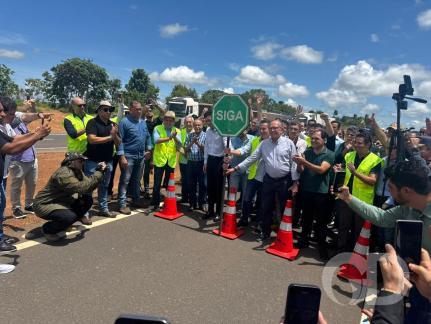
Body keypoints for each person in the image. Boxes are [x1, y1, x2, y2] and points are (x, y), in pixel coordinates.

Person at [337, 160, 431, 323]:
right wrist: (349, 198)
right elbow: (381, 217)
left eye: (391, 189)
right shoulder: (406, 208)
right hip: (416, 287)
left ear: (407, 190)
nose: (389, 193)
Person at [226, 119, 299, 242]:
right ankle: (265, 232)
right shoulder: (264, 144)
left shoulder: (289, 143)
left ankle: (282, 237)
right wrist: (236, 168)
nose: (273, 130)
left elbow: (294, 163)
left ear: (282, 129)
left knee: (282, 209)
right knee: (266, 207)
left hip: (284, 181)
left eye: (276, 128)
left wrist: (296, 182)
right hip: (269, 180)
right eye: (271, 128)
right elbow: (252, 158)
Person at [0, 99, 51, 253]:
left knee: (1, 205)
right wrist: (36, 136)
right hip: (14, 164)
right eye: (1, 111)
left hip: (2, 173)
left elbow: (13, 139)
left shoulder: (5, 126)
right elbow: (11, 148)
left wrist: (36, 134)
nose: (3, 115)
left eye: (3, 111)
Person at [33, 152, 106, 241]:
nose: (83, 163)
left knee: (87, 200)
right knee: (69, 217)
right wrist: (98, 173)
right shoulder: (64, 174)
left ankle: (64, 225)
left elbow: (88, 188)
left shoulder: (78, 171)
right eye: (80, 161)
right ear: (72, 162)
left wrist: (100, 172)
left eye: (83, 161)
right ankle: (48, 229)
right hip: (44, 204)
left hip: (61, 200)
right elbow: (82, 187)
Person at [336, 131, 381, 253]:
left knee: (359, 230)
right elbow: (345, 172)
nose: (356, 144)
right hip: (346, 197)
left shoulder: (375, 160)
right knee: (343, 226)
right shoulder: (350, 155)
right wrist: (339, 170)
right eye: (355, 142)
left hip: (362, 202)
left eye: (359, 143)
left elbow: (372, 180)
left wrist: (355, 172)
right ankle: (340, 252)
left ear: (368, 144)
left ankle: (356, 256)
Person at [293, 128, 334, 259]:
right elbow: (302, 170)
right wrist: (299, 164)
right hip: (306, 190)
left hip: (320, 193)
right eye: (312, 138)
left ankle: (322, 247)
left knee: (321, 222)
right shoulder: (308, 152)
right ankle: (303, 241)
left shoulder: (329, 154)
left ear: (324, 140)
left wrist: (304, 162)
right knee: (306, 218)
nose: (314, 140)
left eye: (317, 138)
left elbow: (322, 170)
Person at [84, 100, 121, 220]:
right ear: (99, 110)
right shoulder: (92, 122)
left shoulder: (113, 125)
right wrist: (111, 136)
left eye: (110, 110)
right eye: (106, 109)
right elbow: (92, 139)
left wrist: (115, 136)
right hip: (92, 160)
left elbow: (118, 143)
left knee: (104, 186)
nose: (109, 112)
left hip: (108, 161)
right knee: (89, 187)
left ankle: (103, 209)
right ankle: (84, 213)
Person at [117, 101, 152, 215]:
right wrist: (122, 156)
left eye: (140, 109)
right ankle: (122, 204)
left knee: (137, 180)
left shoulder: (143, 122)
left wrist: (149, 149)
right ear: (131, 109)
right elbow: (119, 141)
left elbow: (147, 137)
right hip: (128, 156)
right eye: (137, 109)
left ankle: (136, 200)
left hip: (140, 156)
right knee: (125, 180)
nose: (139, 111)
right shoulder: (124, 122)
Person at [237, 120, 270, 228]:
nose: (262, 131)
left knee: (261, 202)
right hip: (252, 175)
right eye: (260, 128)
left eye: (264, 129)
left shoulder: (273, 143)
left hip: (266, 178)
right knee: (247, 199)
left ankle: (259, 223)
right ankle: (244, 219)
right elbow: (245, 151)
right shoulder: (255, 140)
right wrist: (231, 151)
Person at [151, 111, 180, 212]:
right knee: (157, 184)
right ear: (163, 120)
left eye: (171, 120)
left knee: (169, 184)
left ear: (173, 122)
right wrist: (169, 138)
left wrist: (175, 137)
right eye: (166, 119)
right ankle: (155, 204)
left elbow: (180, 145)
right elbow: (156, 140)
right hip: (159, 160)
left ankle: (166, 202)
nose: (168, 122)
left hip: (171, 161)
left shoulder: (177, 131)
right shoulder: (157, 128)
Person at [203, 111, 226, 221]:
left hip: (220, 161)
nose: (209, 122)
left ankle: (218, 212)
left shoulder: (222, 130)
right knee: (210, 187)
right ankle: (210, 211)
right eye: (207, 121)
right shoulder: (207, 130)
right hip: (211, 160)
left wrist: (227, 160)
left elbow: (227, 146)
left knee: (219, 188)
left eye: (210, 120)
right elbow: (206, 147)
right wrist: (205, 162)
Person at [185, 118, 206, 211]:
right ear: (193, 126)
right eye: (196, 125)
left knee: (202, 184)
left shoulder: (206, 136)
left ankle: (201, 203)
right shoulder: (189, 135)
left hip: (201, 163)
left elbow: (206, 150)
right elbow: (185, 149)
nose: (197, 127)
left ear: (202, 126)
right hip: (191, 163)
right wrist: (192, 142)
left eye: (199, 125)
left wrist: (197, 143)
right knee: (191, 184)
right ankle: (192, 203)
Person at [179, 116, 194, 204]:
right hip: (183, 161)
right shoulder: (181, 132)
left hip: (193, 161)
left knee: (192, 180)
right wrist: (184, 153)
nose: (188, 124)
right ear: (184, 123)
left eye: (190, 122)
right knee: (184, 180)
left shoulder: (196, 132)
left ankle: (192, 198)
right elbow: (179, 145)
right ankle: (184, 197)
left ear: (192, 123)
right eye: (187, 122)